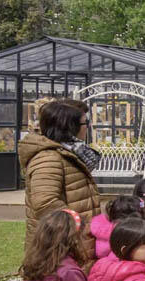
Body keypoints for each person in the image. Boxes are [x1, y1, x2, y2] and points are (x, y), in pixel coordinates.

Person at [20, 100, 102, 260]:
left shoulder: (68, 154)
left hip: (73, 244)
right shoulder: (48, 158)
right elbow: (45, 202)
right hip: (58, 247)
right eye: (85, 123)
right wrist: (80, 226)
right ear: (70, 126)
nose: (87, 127)